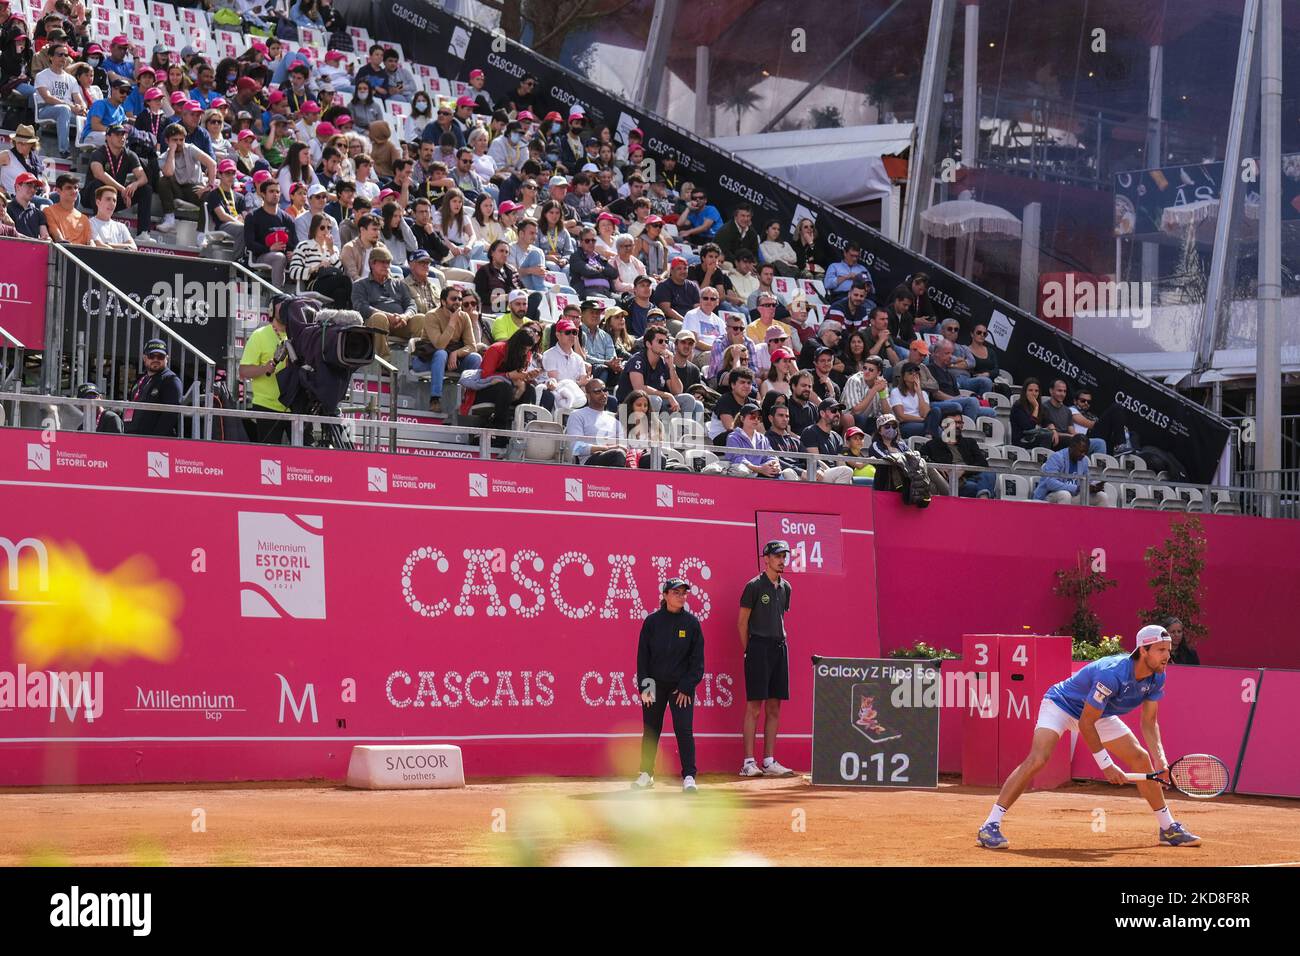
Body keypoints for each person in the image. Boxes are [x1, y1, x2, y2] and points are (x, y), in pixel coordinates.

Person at [977, 624, 1201, 850]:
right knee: (1038, 759)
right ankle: (990, 825)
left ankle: (1168, 828)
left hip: (1100, 714)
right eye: (1161, 650)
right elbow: (1085, 723)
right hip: (1061, 706)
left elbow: (1149, 722)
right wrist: (1107, 765)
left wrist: (1160, 759)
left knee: (1141, 758)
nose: (1167, 656)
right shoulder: (1112, 673)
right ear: (1143, 650)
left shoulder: (1157, 677)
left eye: (1168, 649)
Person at [631, 577, 704, 793]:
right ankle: (647, 773)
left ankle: (689, 776)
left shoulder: (692, 624)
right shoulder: (652, 622)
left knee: (684, 730)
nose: (681, 597)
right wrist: (645, 687)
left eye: (684, 593)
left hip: (681, 688)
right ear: (665, 596)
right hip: (654, 686)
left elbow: (697, 662)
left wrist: (686, 686)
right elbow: (643, 658)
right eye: (676, 593)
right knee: (651, 730)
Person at [738, 540, 796, 778]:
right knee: (754, 707)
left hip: (779, 648)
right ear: (766, 559)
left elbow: (780, 617)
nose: (782, 560)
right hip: (758, 648)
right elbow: (742, 623)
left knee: (775, 706)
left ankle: (769, 760)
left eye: (784, 556)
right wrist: (749, 650)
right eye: (777, 556)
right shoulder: (753, 586)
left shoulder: (786, 588)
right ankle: (748, 762)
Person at [414, 285, 484, 413]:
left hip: (451, 359)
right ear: (443, 301)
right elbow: (439, 345)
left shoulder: (464, 316)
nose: (457, 302)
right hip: (427, 359)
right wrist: (452, 323)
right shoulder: (431, 316)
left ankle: (468, 400)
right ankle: (435, 399)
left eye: (459, 299)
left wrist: (456, 353)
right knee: (441, 354)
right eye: (453, 299)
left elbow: (472, 346)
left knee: (476, 357)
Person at [614, 324, 698, 415]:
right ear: (648, 344)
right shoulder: (637, 360)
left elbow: (677, 391)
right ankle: (651, 429)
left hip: (655, 405)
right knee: (654, 400)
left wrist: (671, 367)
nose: (664, 345)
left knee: (689, 400)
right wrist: (667, 395)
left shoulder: (663, 362)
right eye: (660, 341)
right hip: (628, 407)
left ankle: (683, 429)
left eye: (666, 341)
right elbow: (639, 388)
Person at [352, 245, 417, 358]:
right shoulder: (360, 284)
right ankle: (385, 362)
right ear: (372, 264)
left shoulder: (399, 284)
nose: (386, 266)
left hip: (400, 323)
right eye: (382, 262)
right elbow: (360, 306)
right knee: (379, 318)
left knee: (421, 319)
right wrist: (388, 316)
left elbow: (411, 304)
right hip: (375, 324)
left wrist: (405, 316)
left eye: (388, 262)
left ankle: (418, 361)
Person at [238, 307, 290, 443]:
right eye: (282, 306)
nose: (286, 309)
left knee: (305, 458)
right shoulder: (259, 335)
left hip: (296, 406)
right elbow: (243, 371)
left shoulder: (299, 334)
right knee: (269, 458)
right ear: (272, 310)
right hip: (267, 407)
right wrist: (265, 368)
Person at [922, 407, 997, 498]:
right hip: (950, 482)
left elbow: (982, 463)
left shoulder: (970, 442)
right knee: (974, 487)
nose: (957, 426)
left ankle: (983, 498)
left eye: (959, 422)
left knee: (989, 473)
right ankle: (984, 498)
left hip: (970, 477)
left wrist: (963, 470)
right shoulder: (932, 445)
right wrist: (937, 467)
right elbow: (921, 459)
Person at [124, 338, 182, 436]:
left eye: (160, 356)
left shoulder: (170, 379)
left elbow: (170, 415)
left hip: (155, 442)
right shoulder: (141, 380)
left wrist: (156, 439)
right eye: (151, 356)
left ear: (167, 358)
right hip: (134, 438)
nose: (156, 360)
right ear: (145, 358)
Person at [1034, 434, 1110, 506]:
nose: (1083, 454)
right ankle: (1063, 520)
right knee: (1065, 495)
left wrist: (1094, 486)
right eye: (1081, 451)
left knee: (1102, 496)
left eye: (1085, 452)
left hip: (1072, 496)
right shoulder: (1057, 458)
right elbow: (1050, 483)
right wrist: (1077, 488)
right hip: (1049, 496)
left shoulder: (1083, 461)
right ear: (1072, 447)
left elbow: (1086, 479)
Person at [567, 378, 627, 467]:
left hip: (615, 456)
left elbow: (623, 446)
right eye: (597, 391)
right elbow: (576, 447)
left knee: (648, 459)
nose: (603, 394)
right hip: (589, 461)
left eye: (605, 390)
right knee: (618, 454)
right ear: (588, 395)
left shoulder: (615, 421)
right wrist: (608, 448)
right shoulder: (577, 415)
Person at [725, 403, 783, 478]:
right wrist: (760, 469)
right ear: (742, 419)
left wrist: (773, 465)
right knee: (741, 470)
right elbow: (737, 459)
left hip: (763, 473)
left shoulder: (762, 438)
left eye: (759, 418)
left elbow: (771, 455)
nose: (756, 420)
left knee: (787, 472)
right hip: (746, 475)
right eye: (752, 417)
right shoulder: (733, 437)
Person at [841, 355, 892, 434]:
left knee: (887, 422)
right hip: (848, 418)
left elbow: (887, 413)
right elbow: (856, 411)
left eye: (871, 370)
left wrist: (882, 392)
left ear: (878, 373)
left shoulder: (881, 383)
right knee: (860, 418)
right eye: (865, 368)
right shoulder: (854, 380)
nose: (866, 372)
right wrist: (874, 389)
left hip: (871, 419)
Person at [42, 172, 91, 244]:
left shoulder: (84, 219)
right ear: (58, 191)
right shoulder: (49, 211)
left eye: (76, 187)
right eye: (69, 188)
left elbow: (89, 243)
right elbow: (58, 238)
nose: (74, 191)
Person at [88, 183, 135, 249]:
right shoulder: (90, 223)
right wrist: (124, 246)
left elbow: (134, 247)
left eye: (114, 200)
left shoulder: (121, 226)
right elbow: (98, 245)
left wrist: (108, 244)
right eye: (108, 199)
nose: (112, 203)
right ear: (98, 202)